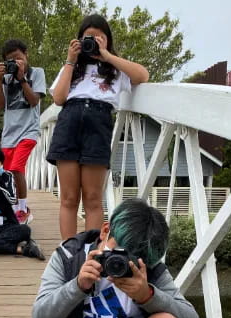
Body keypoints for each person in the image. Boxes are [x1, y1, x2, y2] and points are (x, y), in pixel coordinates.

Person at [46, 14, 149, 239]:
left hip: (98, 124)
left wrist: (107, 56)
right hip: (69, 123)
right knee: (69, 198)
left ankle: (90, 252)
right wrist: (70, 60)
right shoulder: (73, 68)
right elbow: (59, 98)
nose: (92, 41)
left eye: (98, 37)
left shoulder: (116, 70)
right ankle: (69, 252)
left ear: (108, 40)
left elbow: (142, 75)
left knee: (92, 198)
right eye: (87, 37)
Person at [32, 199, 200, 318]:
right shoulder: (70, 256)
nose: (125, 262)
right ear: (105, 231)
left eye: (135, 260)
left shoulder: (150, 267)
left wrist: (147, 295)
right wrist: (77, 286)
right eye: (119, 252)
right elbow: (41, 317)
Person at [0, 39, 46, 225]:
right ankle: (15, 208)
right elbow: (0, 106)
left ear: (27, 56)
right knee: (8, 174)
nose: (15, 63)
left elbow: (34, 101)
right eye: (10, 60)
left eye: (18, 58)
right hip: (9, 134)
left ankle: (23, 209)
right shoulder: (6, 79)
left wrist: (22, 78)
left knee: (17, 168)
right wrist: (0, 79)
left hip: (28, 132)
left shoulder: (37, 73)